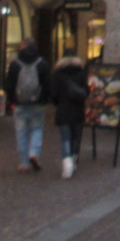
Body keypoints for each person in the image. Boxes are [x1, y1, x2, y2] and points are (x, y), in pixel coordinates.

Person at [5, 38, 51, 173]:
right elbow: (47, 84)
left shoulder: (15, 64)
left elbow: (9, 85)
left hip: (20, 103)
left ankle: (24, 162)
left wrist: (12, 100)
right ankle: (34, 152)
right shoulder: (42, 63)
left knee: (21, 132)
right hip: (38, 103)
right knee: (37, 129)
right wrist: (44, 99)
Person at [51, 50, 87, 178]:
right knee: (75, 137)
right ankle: (74, 158)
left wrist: (58, 103)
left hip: (63, 110)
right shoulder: (81, 72)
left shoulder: (57, 74)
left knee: (65, 138)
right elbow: (85, 92)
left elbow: (54, 94)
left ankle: (67, 164)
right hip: (77, 110)